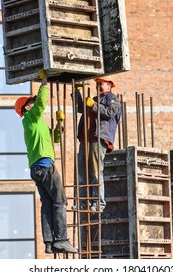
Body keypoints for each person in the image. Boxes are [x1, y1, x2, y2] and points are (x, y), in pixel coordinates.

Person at [14, 70, 78, 254]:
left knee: (48, 204)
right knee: (60, 201)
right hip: (45, 165)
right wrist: (44, 82)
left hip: (37, 167)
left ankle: (49, 243)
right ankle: (62, 239)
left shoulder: (36, 123)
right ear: (26, 108)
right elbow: (41, 103)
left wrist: (59, 125)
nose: (33, 104)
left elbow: (54, 138)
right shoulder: (30, 119)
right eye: (30, 103)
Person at [74, 77, 122, 212]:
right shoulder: (95, 100)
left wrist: (93, 106)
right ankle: (83, 202)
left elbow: (110, 113)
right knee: (83, 171)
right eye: (97, 84)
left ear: (109, 86)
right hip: (86, 139)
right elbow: (80, 108)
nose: (98, 86)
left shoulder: (112, 98)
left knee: (95, 171)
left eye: (101, 84)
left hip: (98, 138)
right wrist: (77, 91)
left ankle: (98, 202)